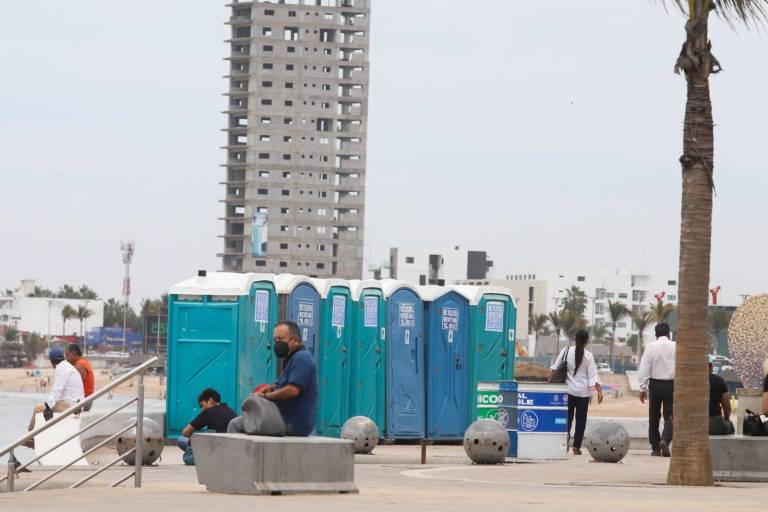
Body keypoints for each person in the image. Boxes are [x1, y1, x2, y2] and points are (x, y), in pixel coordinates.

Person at [228, 321, 318, 436]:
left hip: (291, 422)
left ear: (295, 340)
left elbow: (292, 390)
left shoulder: (302, 358)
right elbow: (284, 384)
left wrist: (266, 397)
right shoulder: (292, 358)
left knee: (235, 424)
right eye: (275, 340)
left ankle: (234, 454)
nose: (277, 343)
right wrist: (270, 387)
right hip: (283, 417)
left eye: (281, 339)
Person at [551, 329, 603, 455]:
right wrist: (599, 392)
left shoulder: (566, 351)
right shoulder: (588, 356)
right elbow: (593, 376)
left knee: (566, 419)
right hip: (583, 393)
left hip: (567, 391)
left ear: (575, 339)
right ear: (586, 341)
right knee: (580, 420)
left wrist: (550, 383)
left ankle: (565, 439)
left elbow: (554, 369)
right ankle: (576, 446)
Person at [638, 322, 676, 457]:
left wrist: (643, 388)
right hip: (671, 385)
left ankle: (655, 447)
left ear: (656, 334)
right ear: (669, 333)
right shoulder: (676, 346)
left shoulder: (651, 347)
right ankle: (665, 440)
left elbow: (644, 368)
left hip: (654, 385)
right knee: (669, 416)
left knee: (653, 417)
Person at [177, 388, 237, 464]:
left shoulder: (208, 412)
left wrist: (198, 438)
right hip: (229, 451)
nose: (202, 409)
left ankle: (199, 456)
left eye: (202, 405)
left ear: (210, 400)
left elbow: (185, 432)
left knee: (181, 440)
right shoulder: (233, 412)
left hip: (212, 450)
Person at [708, 356, 734, 435]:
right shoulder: (718, 381)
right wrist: (726, 419)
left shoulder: (688, 381)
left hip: (693, 424)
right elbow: (727, 406)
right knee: (730, 425)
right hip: (714, 423)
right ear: (711, 367)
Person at [65, 343, 95, 411]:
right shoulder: (84, 362)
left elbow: (70, 386)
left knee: (42, 409)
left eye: (67, 355)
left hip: (83, 402)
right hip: (86, 401)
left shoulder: (80, 365)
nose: (66, 359)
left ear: (74, 354)